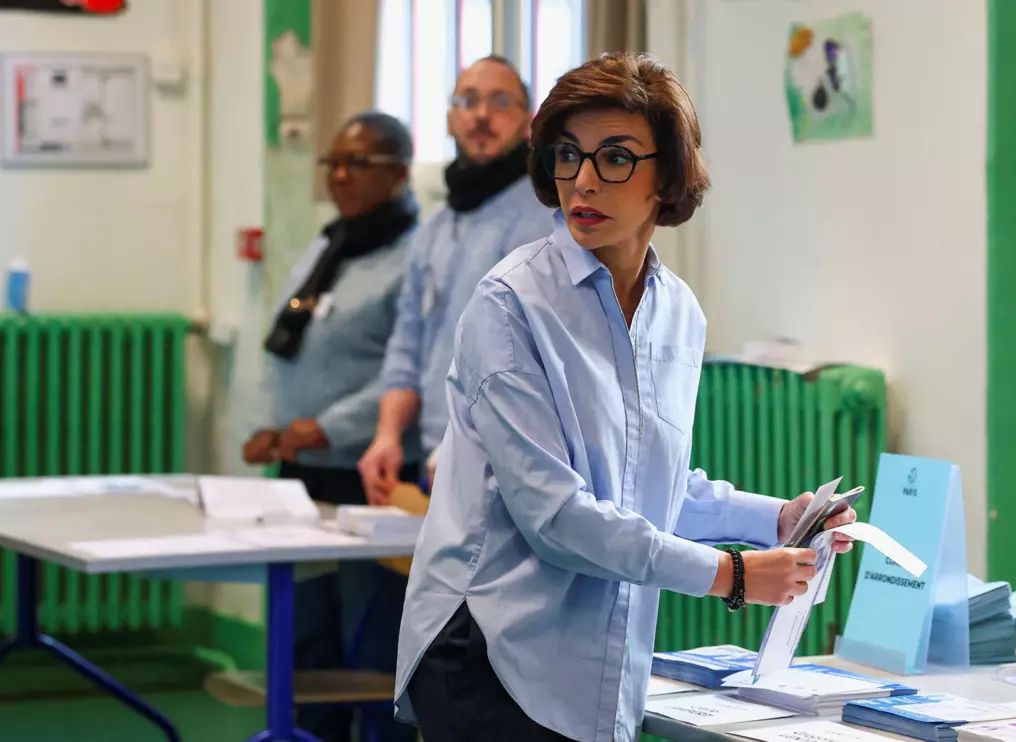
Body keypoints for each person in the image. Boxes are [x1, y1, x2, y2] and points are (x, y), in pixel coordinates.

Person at [393, 52, 858, 742]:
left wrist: (777, 518)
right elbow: (555, 517)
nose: (583, 179)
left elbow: (648, 486)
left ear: (665, 175)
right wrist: (729, 574)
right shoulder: (510, 304)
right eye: (567, 155)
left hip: (593, 652)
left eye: (614, 158)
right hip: (487, 648)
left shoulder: (678, 314)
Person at [242, 111, 422, 742]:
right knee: (307, 637)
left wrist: (326, 427)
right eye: (333, 163)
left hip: (367, 477)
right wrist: (276, 428)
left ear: (400, 172)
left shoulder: (412, 257)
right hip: (303, 477)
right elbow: (296, 346)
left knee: (370, 643)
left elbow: (411, 368)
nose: (340, 174)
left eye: (358, 163)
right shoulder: (331, 243)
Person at [358, 55, 554, 501]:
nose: (481, 115)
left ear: (529, 121)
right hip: (435, 458)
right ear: (450, 118)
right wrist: (387, 434)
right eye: (468, 101)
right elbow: (408, 343)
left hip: (509, 460)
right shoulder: (435, 230)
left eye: (500, 102)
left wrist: (471, 441)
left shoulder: (546, 220)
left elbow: (530, 352)